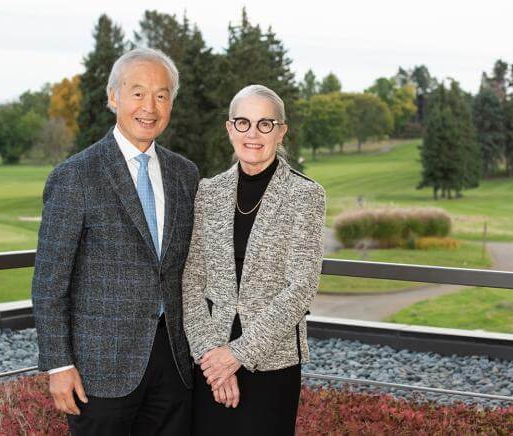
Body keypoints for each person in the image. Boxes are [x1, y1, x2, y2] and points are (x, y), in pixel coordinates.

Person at [31, 47, 199, 436]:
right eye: (137, 92)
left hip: (173, 364)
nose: (150, 106)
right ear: (113, 97)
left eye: (161, 95)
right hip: (99, 371)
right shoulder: (75, 176)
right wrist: (59, 365)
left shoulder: (185, 174)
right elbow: (49, 284)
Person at [182, 84, 326, 436]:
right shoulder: (208, 192)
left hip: (272, 360)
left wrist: (238, 355)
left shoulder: (306, 195)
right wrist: (212, 356)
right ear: (229, 128)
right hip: (210, 357)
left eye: (265, 124)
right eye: (243, 123)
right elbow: (190, 280)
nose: (253, 134)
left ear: (281, 131)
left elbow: (301, 287)